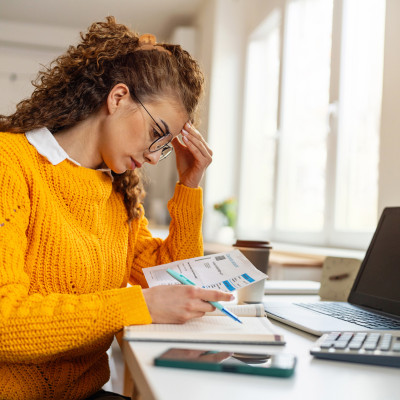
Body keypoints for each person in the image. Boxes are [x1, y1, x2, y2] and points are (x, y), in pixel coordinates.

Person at [0, 16, 233, 400]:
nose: (158, 157)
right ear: (118, 97)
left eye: (166, 145)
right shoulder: (11, 165)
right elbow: (6, 322)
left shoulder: (116, 192)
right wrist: (135, 304)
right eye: (158, 135)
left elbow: (176, 283)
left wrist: (189, 186)